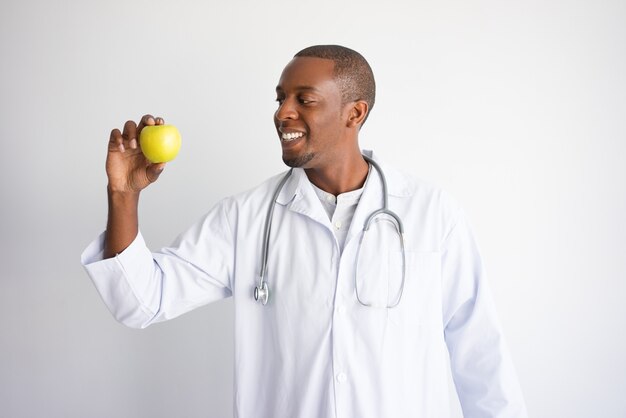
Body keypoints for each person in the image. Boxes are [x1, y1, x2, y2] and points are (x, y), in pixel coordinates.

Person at [81, 45, 528, 417]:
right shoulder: (247, 217)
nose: (283, 113)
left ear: (355, 112)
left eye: (304, 99)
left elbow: (481, 358)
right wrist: (123, 194)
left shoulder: (431, 214)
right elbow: (139, 301)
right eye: (279, 98)